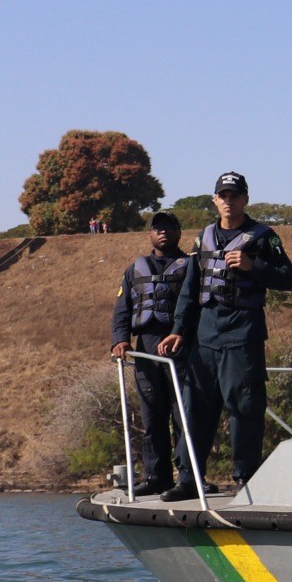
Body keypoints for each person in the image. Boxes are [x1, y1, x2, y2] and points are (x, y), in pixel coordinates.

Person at [169, 171, 292, 499]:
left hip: (243, 336)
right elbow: (190, 289)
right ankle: (188, 479)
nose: (229, 201)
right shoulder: (204, 237)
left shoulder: (264, 236)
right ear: (215, 201)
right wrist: (178, 330)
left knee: (244, 408)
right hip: (205, 337)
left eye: (235, 195)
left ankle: (245, 479)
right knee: (194, 408)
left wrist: (253, 266)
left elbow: (288, 278)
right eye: (223, 196)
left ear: (245, 199)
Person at [109, 211, 197, 497]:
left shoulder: (191, 266)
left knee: (184, 415)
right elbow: (121, 311)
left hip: (182, 347)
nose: (163, 232)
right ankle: (157, 476)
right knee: (152, 417)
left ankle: (191, 476)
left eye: (169, 228)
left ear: (178, 232)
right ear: (149, 234)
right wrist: (120, 341)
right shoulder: (134, 270)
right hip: (146, 349)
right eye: (157, 228)